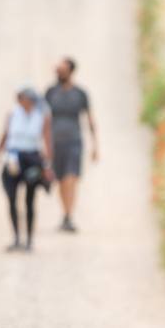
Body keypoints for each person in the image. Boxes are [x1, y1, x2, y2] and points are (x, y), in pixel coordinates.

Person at [0, 86, 53, 253]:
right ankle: (17, 237)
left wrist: (48, 164)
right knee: (11, 197)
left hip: (32, 158)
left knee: (30, 199)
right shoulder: (12, 114)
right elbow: (5, 135)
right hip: (13, 157)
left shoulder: (41, 115)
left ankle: (29, 239)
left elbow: (47, 140)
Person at [44, 58, 97, 233]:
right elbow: (44, 119)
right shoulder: (51, 92)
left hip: (74, 141)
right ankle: (65, 213)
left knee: (71, 178)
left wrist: (95, 145)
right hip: (56, 142)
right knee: (60, 179)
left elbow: (89, 119)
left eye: (62, 70)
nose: (59, 73)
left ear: (70, 72)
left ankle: (69, 214)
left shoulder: (80, 94)